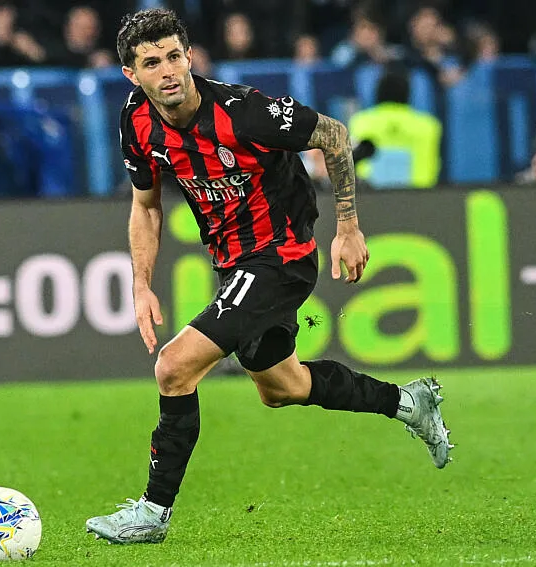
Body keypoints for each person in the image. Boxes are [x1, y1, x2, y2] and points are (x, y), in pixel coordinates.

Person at [85, 9, 453, 545]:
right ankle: (409, 403)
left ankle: (152, 511)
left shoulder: (245, 113)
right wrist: (141, 284)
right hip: (233, 263)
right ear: (131, 74)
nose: (167, 71)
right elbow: (146, 206)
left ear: (189, 56)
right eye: (151, 63)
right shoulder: (135, 120)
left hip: (281, 255)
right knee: (283, 387)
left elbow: (333, 134)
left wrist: (348, 226)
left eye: (173, 56)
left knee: (174, 367)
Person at [348, 67, 443, 189]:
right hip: (420, 195)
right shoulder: (429, 125)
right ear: (408, 94)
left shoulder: (360, 122)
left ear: (378, 93)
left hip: (370, 195)